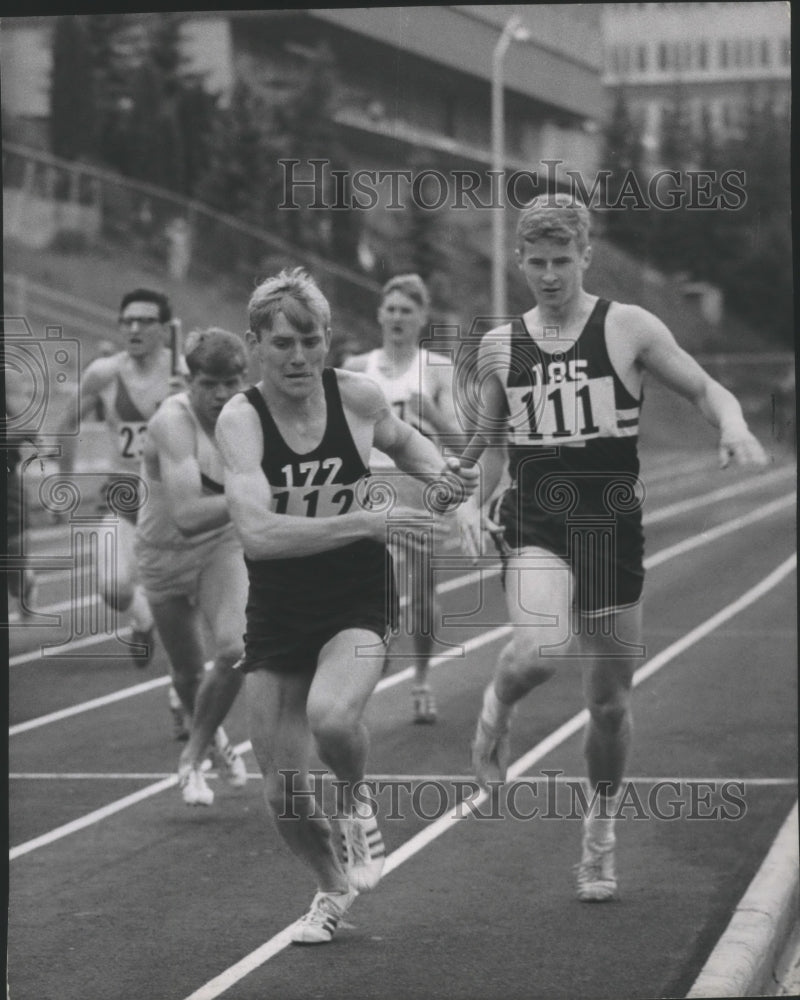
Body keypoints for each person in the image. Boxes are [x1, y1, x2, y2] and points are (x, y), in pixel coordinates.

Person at [466, 194, 768, 903]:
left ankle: (599, 835)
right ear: (518, 261)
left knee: (607, 705)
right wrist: (475, 502)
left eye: (561, 262)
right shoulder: (500, 346)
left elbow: (705, 387)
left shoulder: (627, 327)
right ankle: (494, 713)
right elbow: (489, 441)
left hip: (611, 526)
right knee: (540, 652)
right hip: (538, 518)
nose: (547, 276)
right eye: (535, 263)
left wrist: (733, 423)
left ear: (586, 257)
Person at [215, 267, 478, 945]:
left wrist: (446, 480)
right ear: (255, 346)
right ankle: (331, 886)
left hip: (356, 595)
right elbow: (259, 537)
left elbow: (402, 438)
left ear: (329, 340)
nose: (298, 356)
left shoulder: (357, 398)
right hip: (279, 608)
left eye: (310, 340)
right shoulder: (241, 421)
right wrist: (367, 522)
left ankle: (359, 801)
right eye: (281, 343)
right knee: (281, 793)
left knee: (332, 719)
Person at [58, 289, 187, 735]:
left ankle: (181, 697)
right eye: (126, 321)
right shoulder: (104, 374)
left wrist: (187, 400)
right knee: (111, 585)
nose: (133, 329)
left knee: (180, 601)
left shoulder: (184, 370)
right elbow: (66, 424)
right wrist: (65, 482)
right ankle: (140, 614)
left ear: (163, 327)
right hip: (124, 491)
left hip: (174, 496)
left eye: (144, 321)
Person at [136, 328, 250, 807]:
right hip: (164, 553)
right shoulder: (172, 422)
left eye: (232, 383)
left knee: (238, 647)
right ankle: (213, 733)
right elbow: (185, 517)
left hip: (219, 547)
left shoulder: (250, 415)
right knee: (186, 673)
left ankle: (194, 755)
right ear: (190, 381)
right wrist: (253, 497)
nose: (222, 395)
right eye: (210, 384)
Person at [342, 274, 462, 723]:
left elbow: (460, 437)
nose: (396, 317)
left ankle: (422, 678)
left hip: (417, 483)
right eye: (390, 309)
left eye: (406, 311)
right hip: (369, 484)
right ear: (379, 314)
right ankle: (375, 657)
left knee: (422, 594)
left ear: (421, 319)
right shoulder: (357, 365)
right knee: (369, 588)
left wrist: (429, 413)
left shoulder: (435, 369)